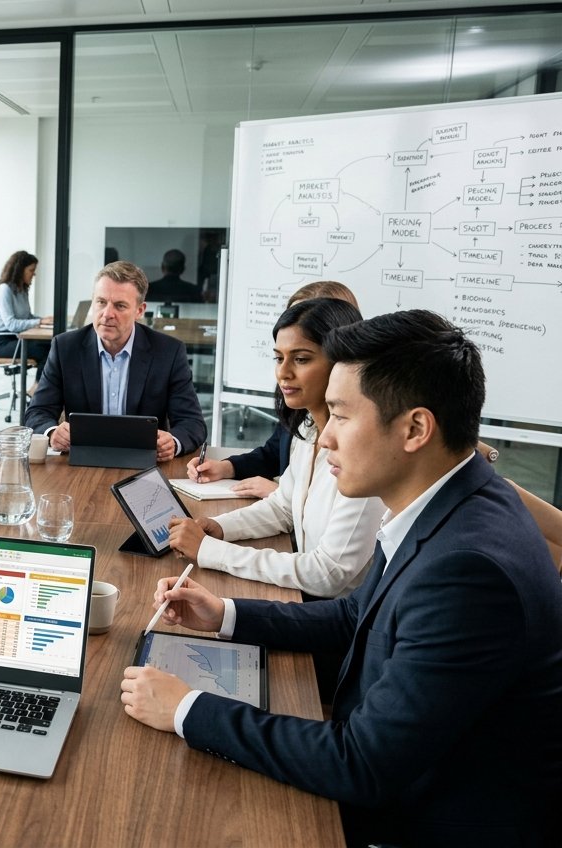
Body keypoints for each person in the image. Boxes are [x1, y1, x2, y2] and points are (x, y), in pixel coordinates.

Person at [121, 310, 562, 847]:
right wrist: (227, 615)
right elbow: (356, 615)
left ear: (415, 429)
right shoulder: (447, 502)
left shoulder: (467, 569)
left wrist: (186, 709)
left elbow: (362, 764)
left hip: (425, 820)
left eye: (342, 417)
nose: (323, 438)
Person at [167, 298, 384, 598]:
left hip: (333, 621)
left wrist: (212, 551)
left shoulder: (366, 454)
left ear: (341, 364)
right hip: (304, 600)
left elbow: (328, 574)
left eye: (301, 359)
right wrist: (217, 527)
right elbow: (283, 507)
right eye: (278, 358)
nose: (283, 373)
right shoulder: (307, 427)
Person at [187, 280, 359, 498]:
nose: (283, 371)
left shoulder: (355, 436)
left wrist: (282, 495)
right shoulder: (303, 412)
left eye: (301, 358)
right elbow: (274, 453)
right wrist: (227, 467)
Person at [23, 260, 206, 462]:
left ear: (139, 311)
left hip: (145, 464)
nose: (107, 314)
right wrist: (52, 432)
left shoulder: (168, 352)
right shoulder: (66, 348)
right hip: (81, 462)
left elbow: (192, 422)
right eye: (101, 302)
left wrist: (173, 441)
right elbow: (38, 412)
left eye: (120, 305)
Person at [0, 250, 52, 375]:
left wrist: (46, 321)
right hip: (2, 343)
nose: (34, 274)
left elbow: (27, 317)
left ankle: (40, 388)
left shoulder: (22, 290)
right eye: (31, 270)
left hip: (18, 338)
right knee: (48, 350)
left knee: (54, 344)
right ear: (20, 270)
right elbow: (11, 324)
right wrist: (40, 321)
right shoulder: (4, 290)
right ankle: (36, 389)